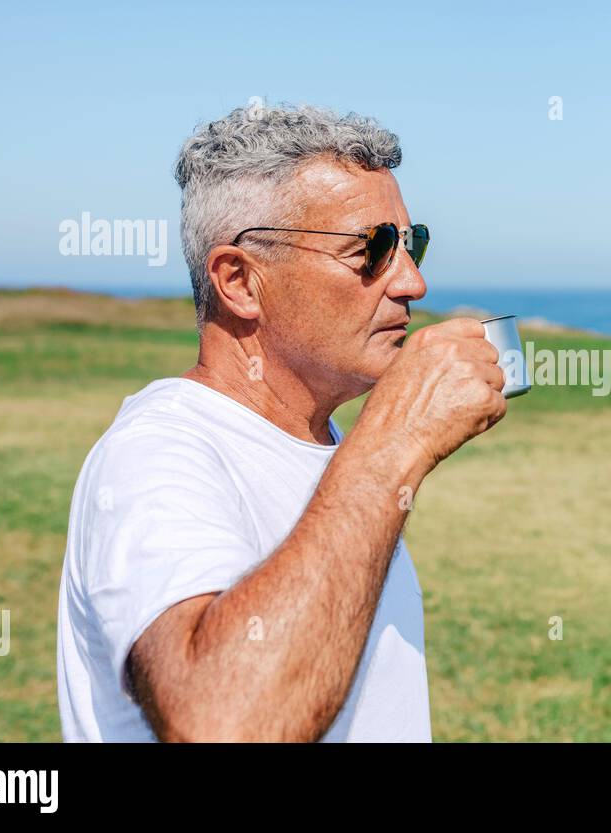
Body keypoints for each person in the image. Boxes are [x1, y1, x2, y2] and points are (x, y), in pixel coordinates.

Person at [56, 104, 508, 742]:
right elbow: (223, 724)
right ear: (239, 281)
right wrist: (395, 443)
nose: (413, 282)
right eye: (372, 249)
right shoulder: (155, 452)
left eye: (414, 245)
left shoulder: (326, 446)